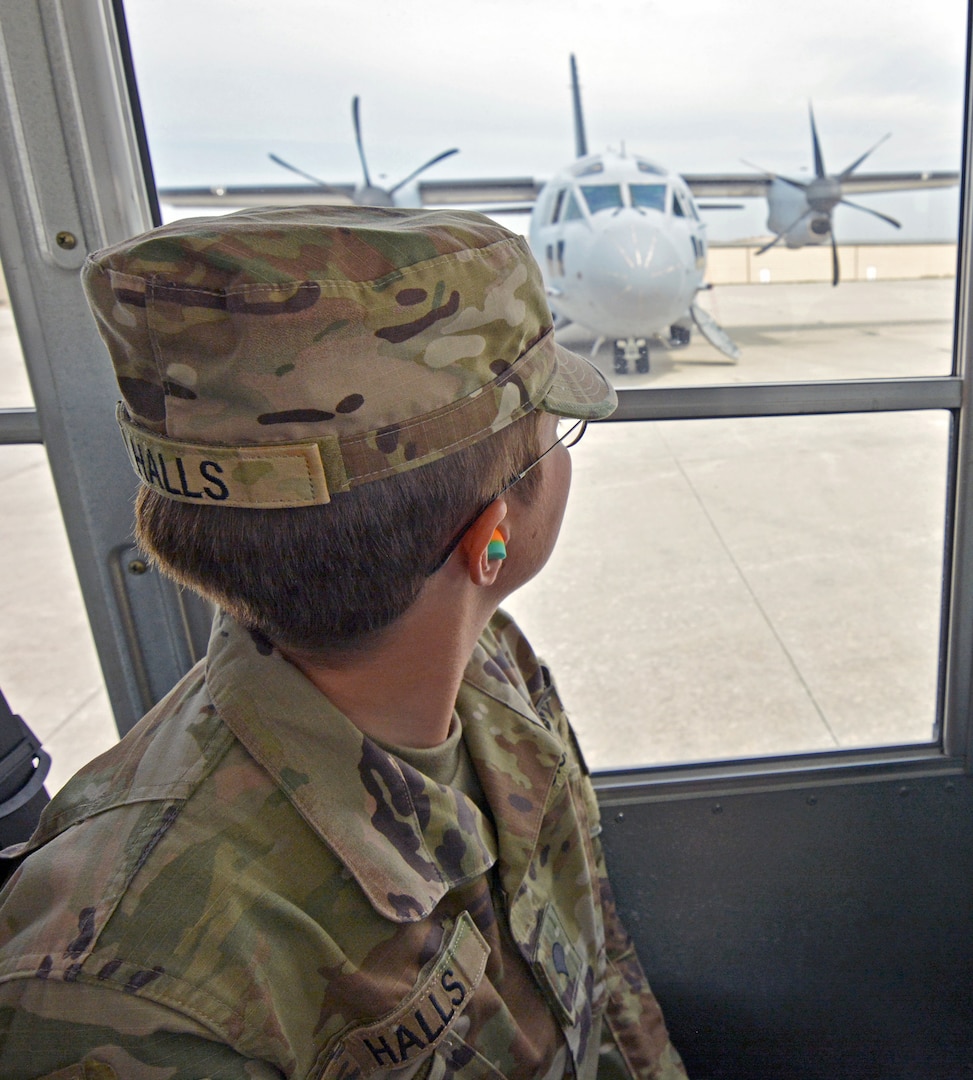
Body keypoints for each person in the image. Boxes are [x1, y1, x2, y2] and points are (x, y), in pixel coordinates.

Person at [0, 205, 686, 1079]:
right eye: (555, 433)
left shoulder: (488, 669)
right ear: (491, 540)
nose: (563, 456)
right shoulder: (119, 989)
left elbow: (597, 969)